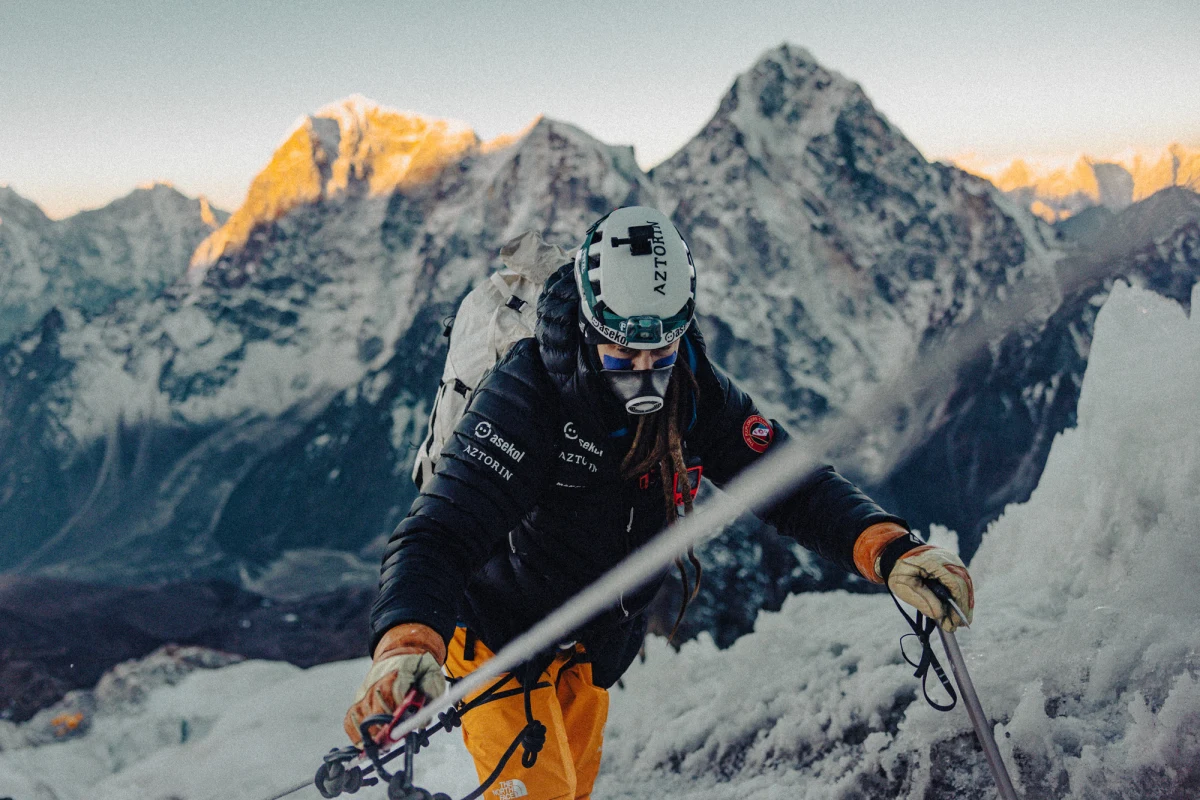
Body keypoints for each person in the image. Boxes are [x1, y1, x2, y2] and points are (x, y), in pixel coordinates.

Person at [344, 206, 974, 800]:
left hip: (589, 647)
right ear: (590, 326)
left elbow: (787, 480)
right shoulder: (527, 397)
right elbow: (438, 534)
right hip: (498, 640)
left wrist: (886, 548)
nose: (645, 368)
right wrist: (405, 644)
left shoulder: (691, 385)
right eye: (623, 349)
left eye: (660, 348)